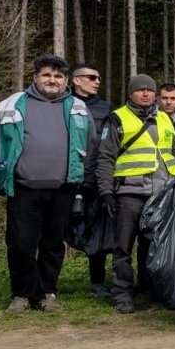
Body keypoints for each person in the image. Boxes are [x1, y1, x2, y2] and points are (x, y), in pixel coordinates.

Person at [0, 55, 96, 313]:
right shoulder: (14, 104)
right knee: (20, 243)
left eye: (58, 76)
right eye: (47, 75)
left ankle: (47, 293)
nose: (52, 80)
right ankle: (21, 295)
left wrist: (81, 180)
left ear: (66, 81)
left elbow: (90, 146)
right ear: (35, 77)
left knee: (53, 243)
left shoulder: (78, 107)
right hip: (23, 187)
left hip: (63, 189)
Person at [97, 74, 175, 314]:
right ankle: (123, 294)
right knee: (123, 247)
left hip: (160, 194)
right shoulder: (117, 118)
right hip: (129, 193)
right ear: (130, 93)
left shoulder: (164, 119)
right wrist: (106, 192)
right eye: (140, 90)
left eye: (149, 90)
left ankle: (150, 292)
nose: (145, 94)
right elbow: (105, 158)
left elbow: (174, 153)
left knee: (153, 247)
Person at [68, 63, 112, 298]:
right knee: (57, 232)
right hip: (64, 179)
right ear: (76, 80)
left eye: (99, 78)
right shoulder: (63, 105)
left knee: (97, 232)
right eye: (91, 77)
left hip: (94, 180)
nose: (97, 81)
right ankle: (46, 286)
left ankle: (97, 283)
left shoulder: (106, 109)